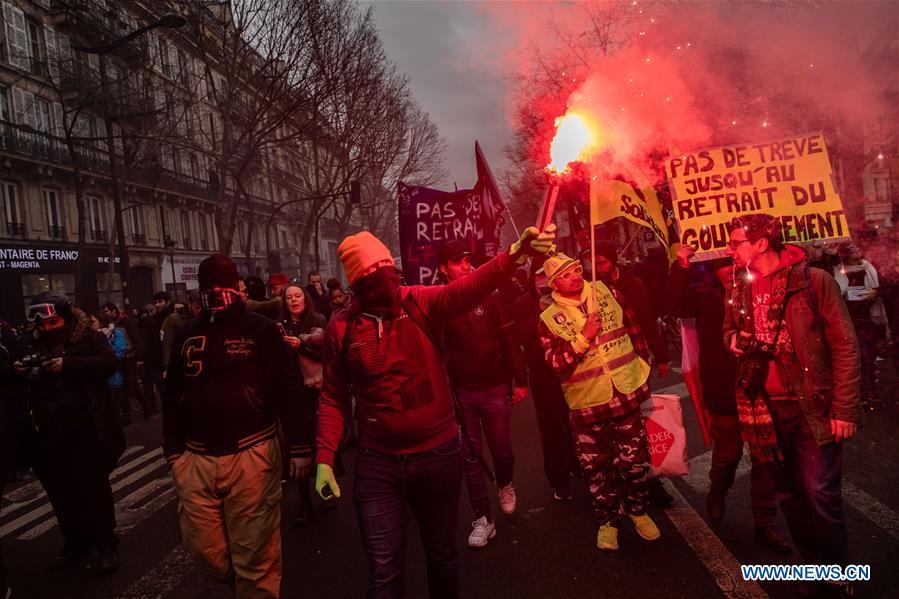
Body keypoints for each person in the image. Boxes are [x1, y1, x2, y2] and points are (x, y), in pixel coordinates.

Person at [315, 226, 555, 598]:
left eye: (385, 269)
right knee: (383, 573)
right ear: (357, 283)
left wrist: (513, 255)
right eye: (372, 273)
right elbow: (332, 395)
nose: (383, 279)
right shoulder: (340, 328)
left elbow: (468, 288)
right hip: (378, 464)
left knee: (442, 555)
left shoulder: (419, 301)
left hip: (437, 454)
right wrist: (324, 457)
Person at [723, 214, 860, 597]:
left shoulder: (813, 281)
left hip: (810, 405)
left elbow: (845, 345)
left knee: (819, 493)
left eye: (736, 242)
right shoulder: (738, 285)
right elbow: (727, 328)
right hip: (764, 408)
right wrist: (732, 338)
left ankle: (838, 575)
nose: (730, 250)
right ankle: (814, 566)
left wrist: (845, 409)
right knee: (789, 496)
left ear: (761, 243)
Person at [163, 255, 314, 598]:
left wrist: (301, 447)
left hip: (253, 454)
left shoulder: (260, 329)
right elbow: (171, 394)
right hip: (196, 460)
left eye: (223, 286)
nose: (216, 294)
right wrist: (173, 453)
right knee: (207, 553)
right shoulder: (187, 333)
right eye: (208, 287)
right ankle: (240, 581)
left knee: (256, 559)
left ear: (237, 287)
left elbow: (288, 389)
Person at [667, 246, 790, 553]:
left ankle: (765, 522)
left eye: (729, 262)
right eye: (718, 264)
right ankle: (718, 492)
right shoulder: (703, 294)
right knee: (728, 452)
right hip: (721, 383)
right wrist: (681, 267)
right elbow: (674, 306)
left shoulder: (759, 286)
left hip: (759, 382)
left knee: (765, 456)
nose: (726, 270)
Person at [539, 253, 661, 551]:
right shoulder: (548, 318)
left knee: (634, 462)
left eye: (575, 270)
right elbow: (555, 363)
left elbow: (633, 328)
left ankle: (638, 511)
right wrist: (583, 338)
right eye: (565, 275)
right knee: (596, 470)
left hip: (625, 393)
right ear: (554, 284)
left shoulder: (606, 291)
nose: (574, 277)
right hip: (587, 404)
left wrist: (643, 368)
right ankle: (607, 522)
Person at [14, 292, 123, 573]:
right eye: (42, 324)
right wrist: (21, 371)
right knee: (61, 494)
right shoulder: (29, 341)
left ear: (67, 318)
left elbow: (110, 364)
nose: (47, 328)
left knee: (94, 491)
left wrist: (68, 365)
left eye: (54, 322)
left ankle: (105, 544)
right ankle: (76, 543)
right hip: (46, 432)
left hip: (85, 428)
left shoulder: (89, 338)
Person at [436, 240, 528, 548]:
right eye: (458, 262)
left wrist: (521, 379)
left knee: (502, 450)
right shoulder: (439, 303)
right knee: (471, 457)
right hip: (461, 394)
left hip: (494, 387)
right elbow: (436, 352)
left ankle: (505, 484)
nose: (466, 266)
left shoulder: (489, 293)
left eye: (467, 260)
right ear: (443, 269)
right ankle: (483, 519)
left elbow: (509, 337)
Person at [583, 241, 673, 508]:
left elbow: (647, 320)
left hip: (635, 365)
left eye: (601, 261)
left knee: (640, 425)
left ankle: (649, 481)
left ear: (613, 261)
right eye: (593, 262)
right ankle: (619, 483)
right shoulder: (588, 290)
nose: (596, 267)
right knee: (613, 430)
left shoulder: (634, 285)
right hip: (605, 373)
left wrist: (662, 356)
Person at [278, 283, 340, 526]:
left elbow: (326, 353)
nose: (294, 300)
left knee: (320, 439)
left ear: (305, 298)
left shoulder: (317, 320)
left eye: (297, 296)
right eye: (289, 297)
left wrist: (300, 345)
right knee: (297, 445)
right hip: (293, 392)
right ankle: (304, 501)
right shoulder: (281, 325)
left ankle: (326, 490)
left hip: (316, 389)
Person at [833, 242, 888, 408]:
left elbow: (888, 286)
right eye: (852, 250)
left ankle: (871, 391)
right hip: (853, 321)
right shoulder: (838, 271)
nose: (857, 251)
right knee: (862, 357)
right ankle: (864, 394)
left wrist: (876, 292)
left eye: (857, 248)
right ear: (846, 255)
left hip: (871, 320)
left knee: (871, 356)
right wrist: (847, 298)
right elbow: (836, 295)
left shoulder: (870, 267)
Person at [102, 302, 153, 420]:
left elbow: (136, 339)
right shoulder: (109, 324)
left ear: (113, 311)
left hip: (129, 358)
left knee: (132, 386)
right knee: (122, 387)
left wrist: (139, 358)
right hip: (119, 358)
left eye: (106, 311)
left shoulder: (126, 322)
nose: (105, 314)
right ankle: (127, 415)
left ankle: (146, 407)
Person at [91, 311, 129, 425]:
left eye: (93, 321)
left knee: (114, 411)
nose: (90, 324)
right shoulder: (90, 337)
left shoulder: (115, 334)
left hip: (112, 378)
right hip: (96, 380)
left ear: (101, 322)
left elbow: (119, 353)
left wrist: (101, 360)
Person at [161, 291, 202, 370]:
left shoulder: (206, 318)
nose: (200, 311)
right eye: (197, 307)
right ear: (190, 305)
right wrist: (167, 366)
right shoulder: (175, 318)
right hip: (182, 362)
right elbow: (168, 343)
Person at [145, 291, 174, 401]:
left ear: (167, 302)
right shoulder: (152, 319)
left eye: (160, 302)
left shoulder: (173, 317)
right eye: (155, 302)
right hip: (158, 359)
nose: (157, 305)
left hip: (172, 357)